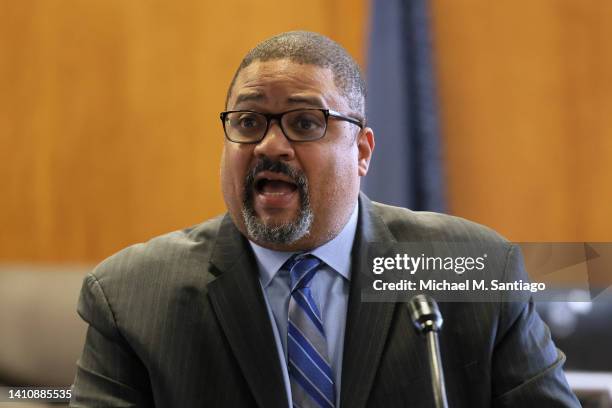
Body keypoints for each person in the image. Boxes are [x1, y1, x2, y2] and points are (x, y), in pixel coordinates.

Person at [70, 31, 580, 407]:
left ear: (362, 151)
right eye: (248, 122)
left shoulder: (468, 267)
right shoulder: (132, 296)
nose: (270, 145)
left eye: (305, 123)